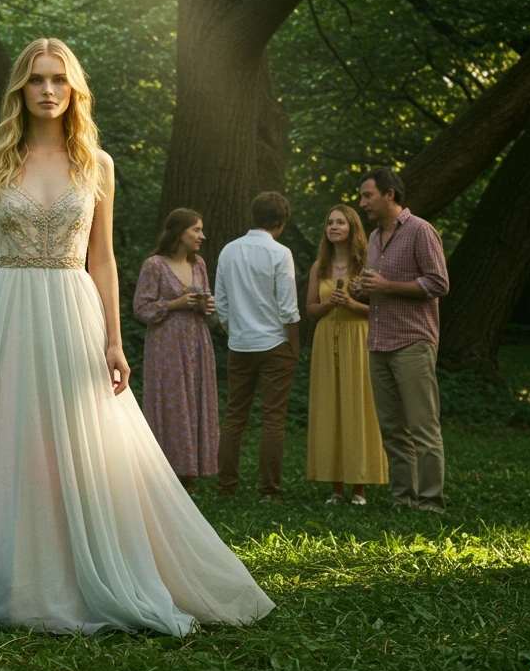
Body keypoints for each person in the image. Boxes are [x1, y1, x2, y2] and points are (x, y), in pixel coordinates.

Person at [0, 38, 273, 635]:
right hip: (6, 307)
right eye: (35, 80)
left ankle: (82, 571)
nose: (47, 90)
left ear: (74, 90)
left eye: (58, 80)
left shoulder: (96, 163)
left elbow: (102, 260)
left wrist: (114, 339)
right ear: (19, 90)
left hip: (74, 308)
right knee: (9, 441)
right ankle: (5, 573)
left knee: (80, 442)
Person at [354, 168, 450, 513]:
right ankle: (403, 500)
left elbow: (439, 283)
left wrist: (387, 287)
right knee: (392, 429)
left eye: (368, 195)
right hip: (378, 342)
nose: (362, 202)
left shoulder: (420, 231)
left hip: (412, 341)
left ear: (389, 195)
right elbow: (378, 287)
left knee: (423, 427)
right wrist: (363, 289)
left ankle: (431, 502)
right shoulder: (376, 237)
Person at [213, 192, 300, 503]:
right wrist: (295, 344)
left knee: (235, 416)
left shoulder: (228, 251)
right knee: (273, 417)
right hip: (275, 343)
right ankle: (269, 491)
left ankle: (226, 488)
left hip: (240, 344)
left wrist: (233, 330)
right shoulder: (280, 253)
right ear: (282, 222)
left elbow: (220, 302)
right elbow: (288, 307)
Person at [304, 205, 387, 506]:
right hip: (326, 339)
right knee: (330, 408)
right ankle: (336, 488)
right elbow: (310, 310)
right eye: (330, 222)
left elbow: (383, 310)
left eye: (340, 222)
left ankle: (359, 488)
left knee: (358, 407)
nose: (334, 227)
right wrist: (329, 305)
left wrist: (352, 305)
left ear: (352, 227)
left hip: (359, 338)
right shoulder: (319, 267)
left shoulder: (367, 264)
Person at [133, 208, 218, 493]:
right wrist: (173, 305)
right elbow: (141, 308)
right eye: (196, 229)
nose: (201, 236)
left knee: (194, 398)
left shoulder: (200, 264)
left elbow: (204, 300)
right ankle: (164, 469)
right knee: (171, 399)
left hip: (196, 338)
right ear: (179, 232)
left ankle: (191, 470)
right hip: (166, 342)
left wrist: (207, 306)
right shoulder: (154, 265)